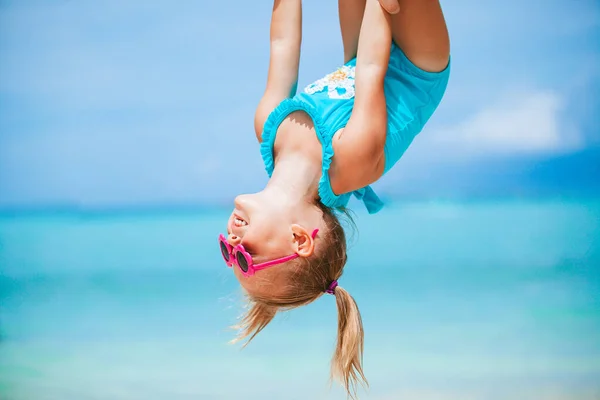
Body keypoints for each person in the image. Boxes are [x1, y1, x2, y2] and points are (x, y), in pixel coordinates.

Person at [218, 0, 450, 396]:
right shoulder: (351, 163)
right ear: (299, 239)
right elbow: (374, 73)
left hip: (363, 54)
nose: (232, 242)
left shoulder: (268, 129)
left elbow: (283, 42)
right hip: (415, 64)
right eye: (244, 255)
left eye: (227, 251)